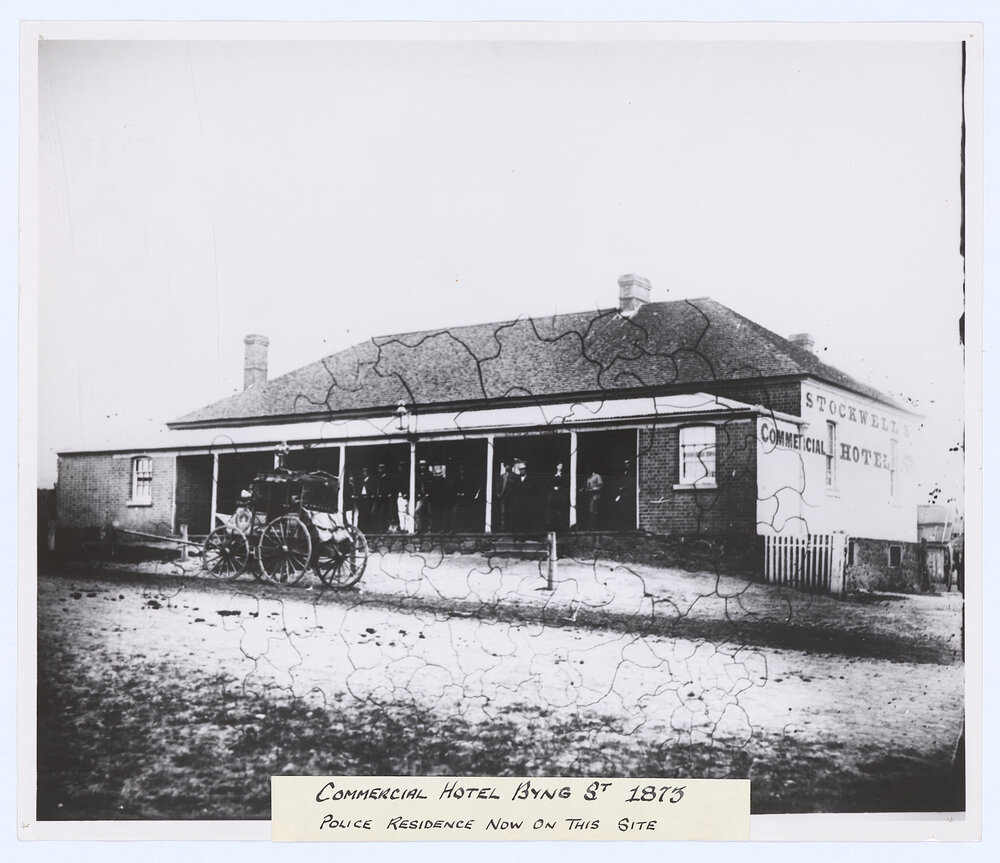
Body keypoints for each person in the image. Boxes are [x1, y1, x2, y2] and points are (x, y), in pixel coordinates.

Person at [547, 463, 567, 532]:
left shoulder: (564, 475)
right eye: (559, 466)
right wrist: (553, 487)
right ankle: (552, 527)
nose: (560, 467)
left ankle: (560, 528)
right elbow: (549, 484)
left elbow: (565, 484)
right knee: (552, 511)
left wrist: (559, 488)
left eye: (561, 466)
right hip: (553, 495)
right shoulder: (553, 475)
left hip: (560, 495)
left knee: (560, 511)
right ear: (556, 467)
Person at [356, 467, 376, 533]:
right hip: (362, 498)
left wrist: (370, 495)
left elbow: (373, 489)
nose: (364, 473)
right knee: (361, 513)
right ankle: (361, 528)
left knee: (367, 513)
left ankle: (368, 528)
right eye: (363, 472)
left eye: (366, 472)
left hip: (368, 498)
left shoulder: (371, 480)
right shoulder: (361, 481)